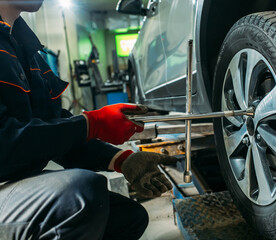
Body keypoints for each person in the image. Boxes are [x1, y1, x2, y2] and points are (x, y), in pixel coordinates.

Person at [0, 0, 177, 239]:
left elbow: (51, 127)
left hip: (14, 182)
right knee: (80, 193)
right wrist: (91, 123)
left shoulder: (24, 47)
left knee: (127, 216)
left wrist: (121, 160)